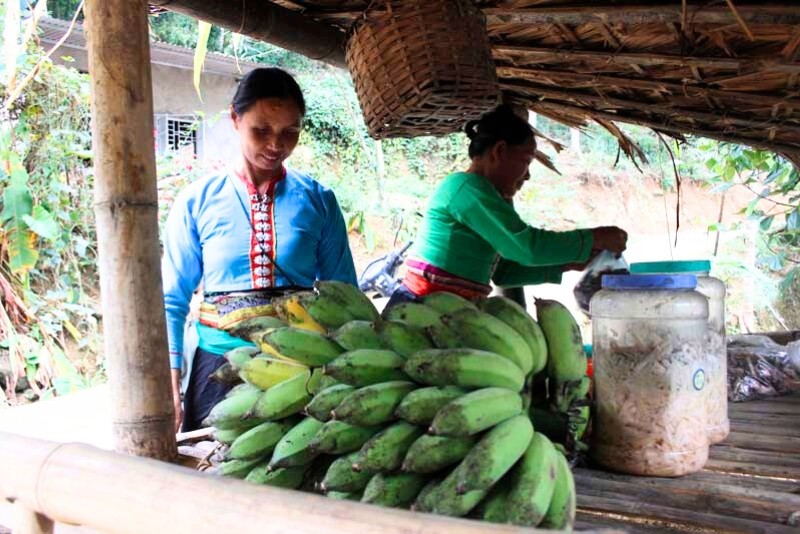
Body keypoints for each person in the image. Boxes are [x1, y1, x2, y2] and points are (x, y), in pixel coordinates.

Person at [162, 68, 357, 432]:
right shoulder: (196, 202)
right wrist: (169, 381)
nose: (276, 145)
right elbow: (171, 300)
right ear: (235, 120)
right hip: (217, 368)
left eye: (290, 132)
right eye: (261, 130)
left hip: (301, 366)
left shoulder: (319, 201)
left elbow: (344, 296)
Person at [387, 104, 627, 305]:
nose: (528, 175)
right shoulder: (465, 188)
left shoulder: (489, 196)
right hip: (419, 308)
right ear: (500, 151)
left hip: (451, 311)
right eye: (527, 161)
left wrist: (567, 263)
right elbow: (525, 248)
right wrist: (593, 238)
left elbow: (504, 272)